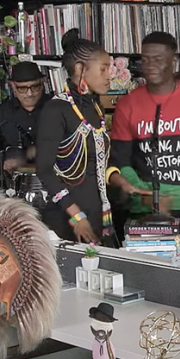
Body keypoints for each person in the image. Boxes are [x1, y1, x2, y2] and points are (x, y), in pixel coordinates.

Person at [37, 31, 149, 245]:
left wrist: (123, 183)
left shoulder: (94, 107)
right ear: (80, 69)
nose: (110, 75)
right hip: (67, 219)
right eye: (104, 69)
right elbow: (45, 169)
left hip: (99, 215)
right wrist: (76, 215)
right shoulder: (56, 109)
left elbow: (100, 162)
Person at [111, 31, 180, 239]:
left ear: (175, 61)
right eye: (145, 59)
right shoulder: (127, 104)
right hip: (142, 213)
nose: (150, 65)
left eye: (158, 59)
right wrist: (143, 196)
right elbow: (120, 160)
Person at [0, 61, 52, 171]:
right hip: (12, 184)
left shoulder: (57, 109)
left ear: (43, 83)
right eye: (22, 88)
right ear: (13, 86)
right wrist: (2, 163)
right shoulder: (1, 114)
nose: (30, 94)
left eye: (35, 87)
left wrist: (23, 160)